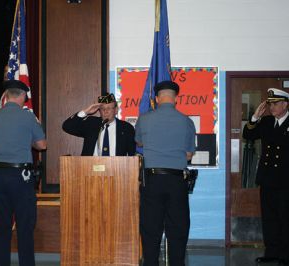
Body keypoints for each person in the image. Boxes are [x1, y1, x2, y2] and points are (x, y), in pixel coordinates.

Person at [0, 80, 46, 266]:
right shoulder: (28, 117)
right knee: (24, 228)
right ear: (22, 96)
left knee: (1, 229)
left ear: (6, 96)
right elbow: (42, 146)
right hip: (20, 177)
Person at [135, 81, 196, 266]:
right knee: (177, 229)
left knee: (150, 228)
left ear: (157, 98)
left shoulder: (144, 119)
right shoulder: (186, 121)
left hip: (152, 181)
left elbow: (140, 143)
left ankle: (151, 263)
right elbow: (188, 155)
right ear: (175, 98)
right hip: (177, 182)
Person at [242, 88, 289, 265]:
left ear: (285, 104)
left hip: (286, 180)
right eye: (270, 104)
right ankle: (272, 252)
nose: (272, 107)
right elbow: (248, 135)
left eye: (276, 104)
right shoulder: (267, 122)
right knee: (269, 218)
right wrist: (255, 117)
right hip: (268, 179)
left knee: (285, 218)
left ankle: (285, 255)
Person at [62, 93, 135, 156]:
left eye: (109, 108)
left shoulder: (126, 128)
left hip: (117, 169)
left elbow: (132, 155)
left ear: (116, 110)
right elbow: (67, 126)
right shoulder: (91, 124)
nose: (105, 111)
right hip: (90, 168)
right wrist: (86, 112)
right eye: (102, 108)